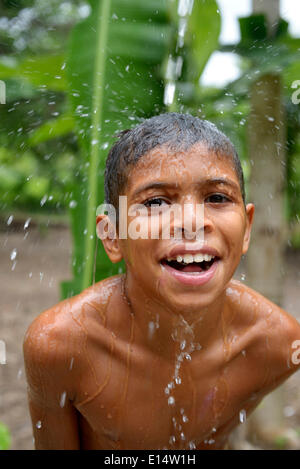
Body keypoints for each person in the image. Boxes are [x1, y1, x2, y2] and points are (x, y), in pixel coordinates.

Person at [23, 113, 300, 450]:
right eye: (156, 202)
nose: (191, 222)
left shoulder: (277, 344)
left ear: (247, 228)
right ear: (112, 235)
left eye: (217, 198)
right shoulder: (61, 346)